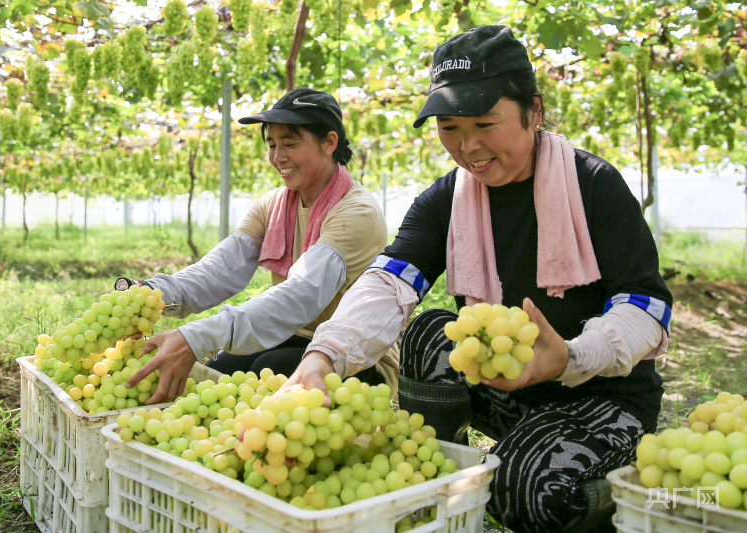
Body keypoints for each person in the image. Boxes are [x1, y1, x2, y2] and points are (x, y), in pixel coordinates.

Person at [279, 26, 672, 533]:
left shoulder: (593, 185)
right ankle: (445, 468)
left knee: (518, 490)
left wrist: (571, 357)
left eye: (486, 124)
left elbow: (648, 311)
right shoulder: (448, 199)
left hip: (601, 397)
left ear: (533, 110)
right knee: (426, 333)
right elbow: (388, 282)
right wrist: (323, 355)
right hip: (511, 391)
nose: (469, 148)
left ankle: (608, 494)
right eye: (449, 128)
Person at [119, 87, 396, 404]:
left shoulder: (356, 212)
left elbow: (301, 294)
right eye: (273, 145)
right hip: (293, 337)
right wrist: (153, 293)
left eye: (290, 144)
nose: (278, 157)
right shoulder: (274, 206)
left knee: (269, 369)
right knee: (221, 371)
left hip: (355, 354)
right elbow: (222, 268)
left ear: (329, 143)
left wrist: (201, 336)